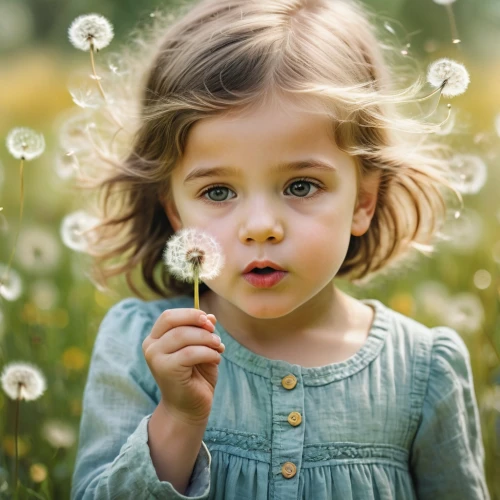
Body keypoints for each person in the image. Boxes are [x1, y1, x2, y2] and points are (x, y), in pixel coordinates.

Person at [70, 0, 490, 498]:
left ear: (364, 200)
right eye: (218, 192)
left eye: (300, 186)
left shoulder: (423, 370)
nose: (261, 228)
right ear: (176, 212)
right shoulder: (140, 349)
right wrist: (178, 419)